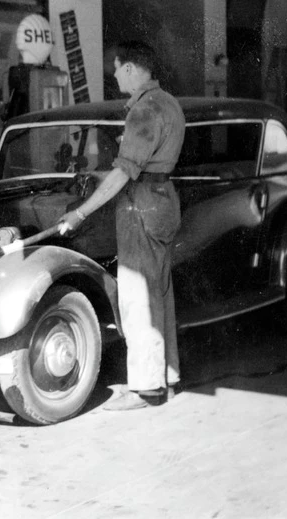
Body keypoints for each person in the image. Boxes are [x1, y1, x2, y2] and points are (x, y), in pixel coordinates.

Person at [57, 40, 185, 411]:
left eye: (116, 68)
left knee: (136, 297)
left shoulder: (144, 110)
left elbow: (123, 175)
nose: (113, 75)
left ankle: (146, 388)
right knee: (159, 292)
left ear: (131, 68)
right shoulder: (170, 103)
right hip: (163, 199)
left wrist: (80, 212)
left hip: (140, 206)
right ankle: (167, 377)